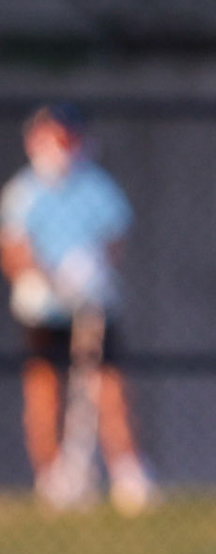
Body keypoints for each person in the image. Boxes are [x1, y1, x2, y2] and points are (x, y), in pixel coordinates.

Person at [0, 104, 156, 515]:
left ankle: (127, 472)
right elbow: (13, 249)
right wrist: (47, 277)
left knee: (108, 386)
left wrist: (89, 271)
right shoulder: (23, 192)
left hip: (93, 307)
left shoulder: (97, 188)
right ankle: (52, 475)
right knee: (44, 388)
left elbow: (114, 238)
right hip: (42, 310)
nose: (61, 148)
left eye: (68, 138)